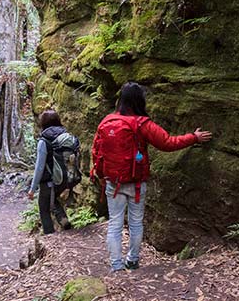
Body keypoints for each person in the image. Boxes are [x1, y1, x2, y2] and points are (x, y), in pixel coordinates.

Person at [91, 82, 212, 271]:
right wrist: (193, 137)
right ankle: (132, 260)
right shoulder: (142, 124)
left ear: (121, 100)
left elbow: (96, 151)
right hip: (136, 183)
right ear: (139, 101)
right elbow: (167, 142)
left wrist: (100, 175)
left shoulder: (106, 122)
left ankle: (116, 265)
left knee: (115, 223)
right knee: (136, 222)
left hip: (113, 182)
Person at [28, 109, 72, 234]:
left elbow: (39, 167)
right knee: (52, 200)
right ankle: (63, 219)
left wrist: (32, 189)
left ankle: (49, 236)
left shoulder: (44, 141)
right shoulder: (65, 136)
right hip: (65, 179)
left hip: (49, 182)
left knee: (44, 208)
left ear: (43, 123)